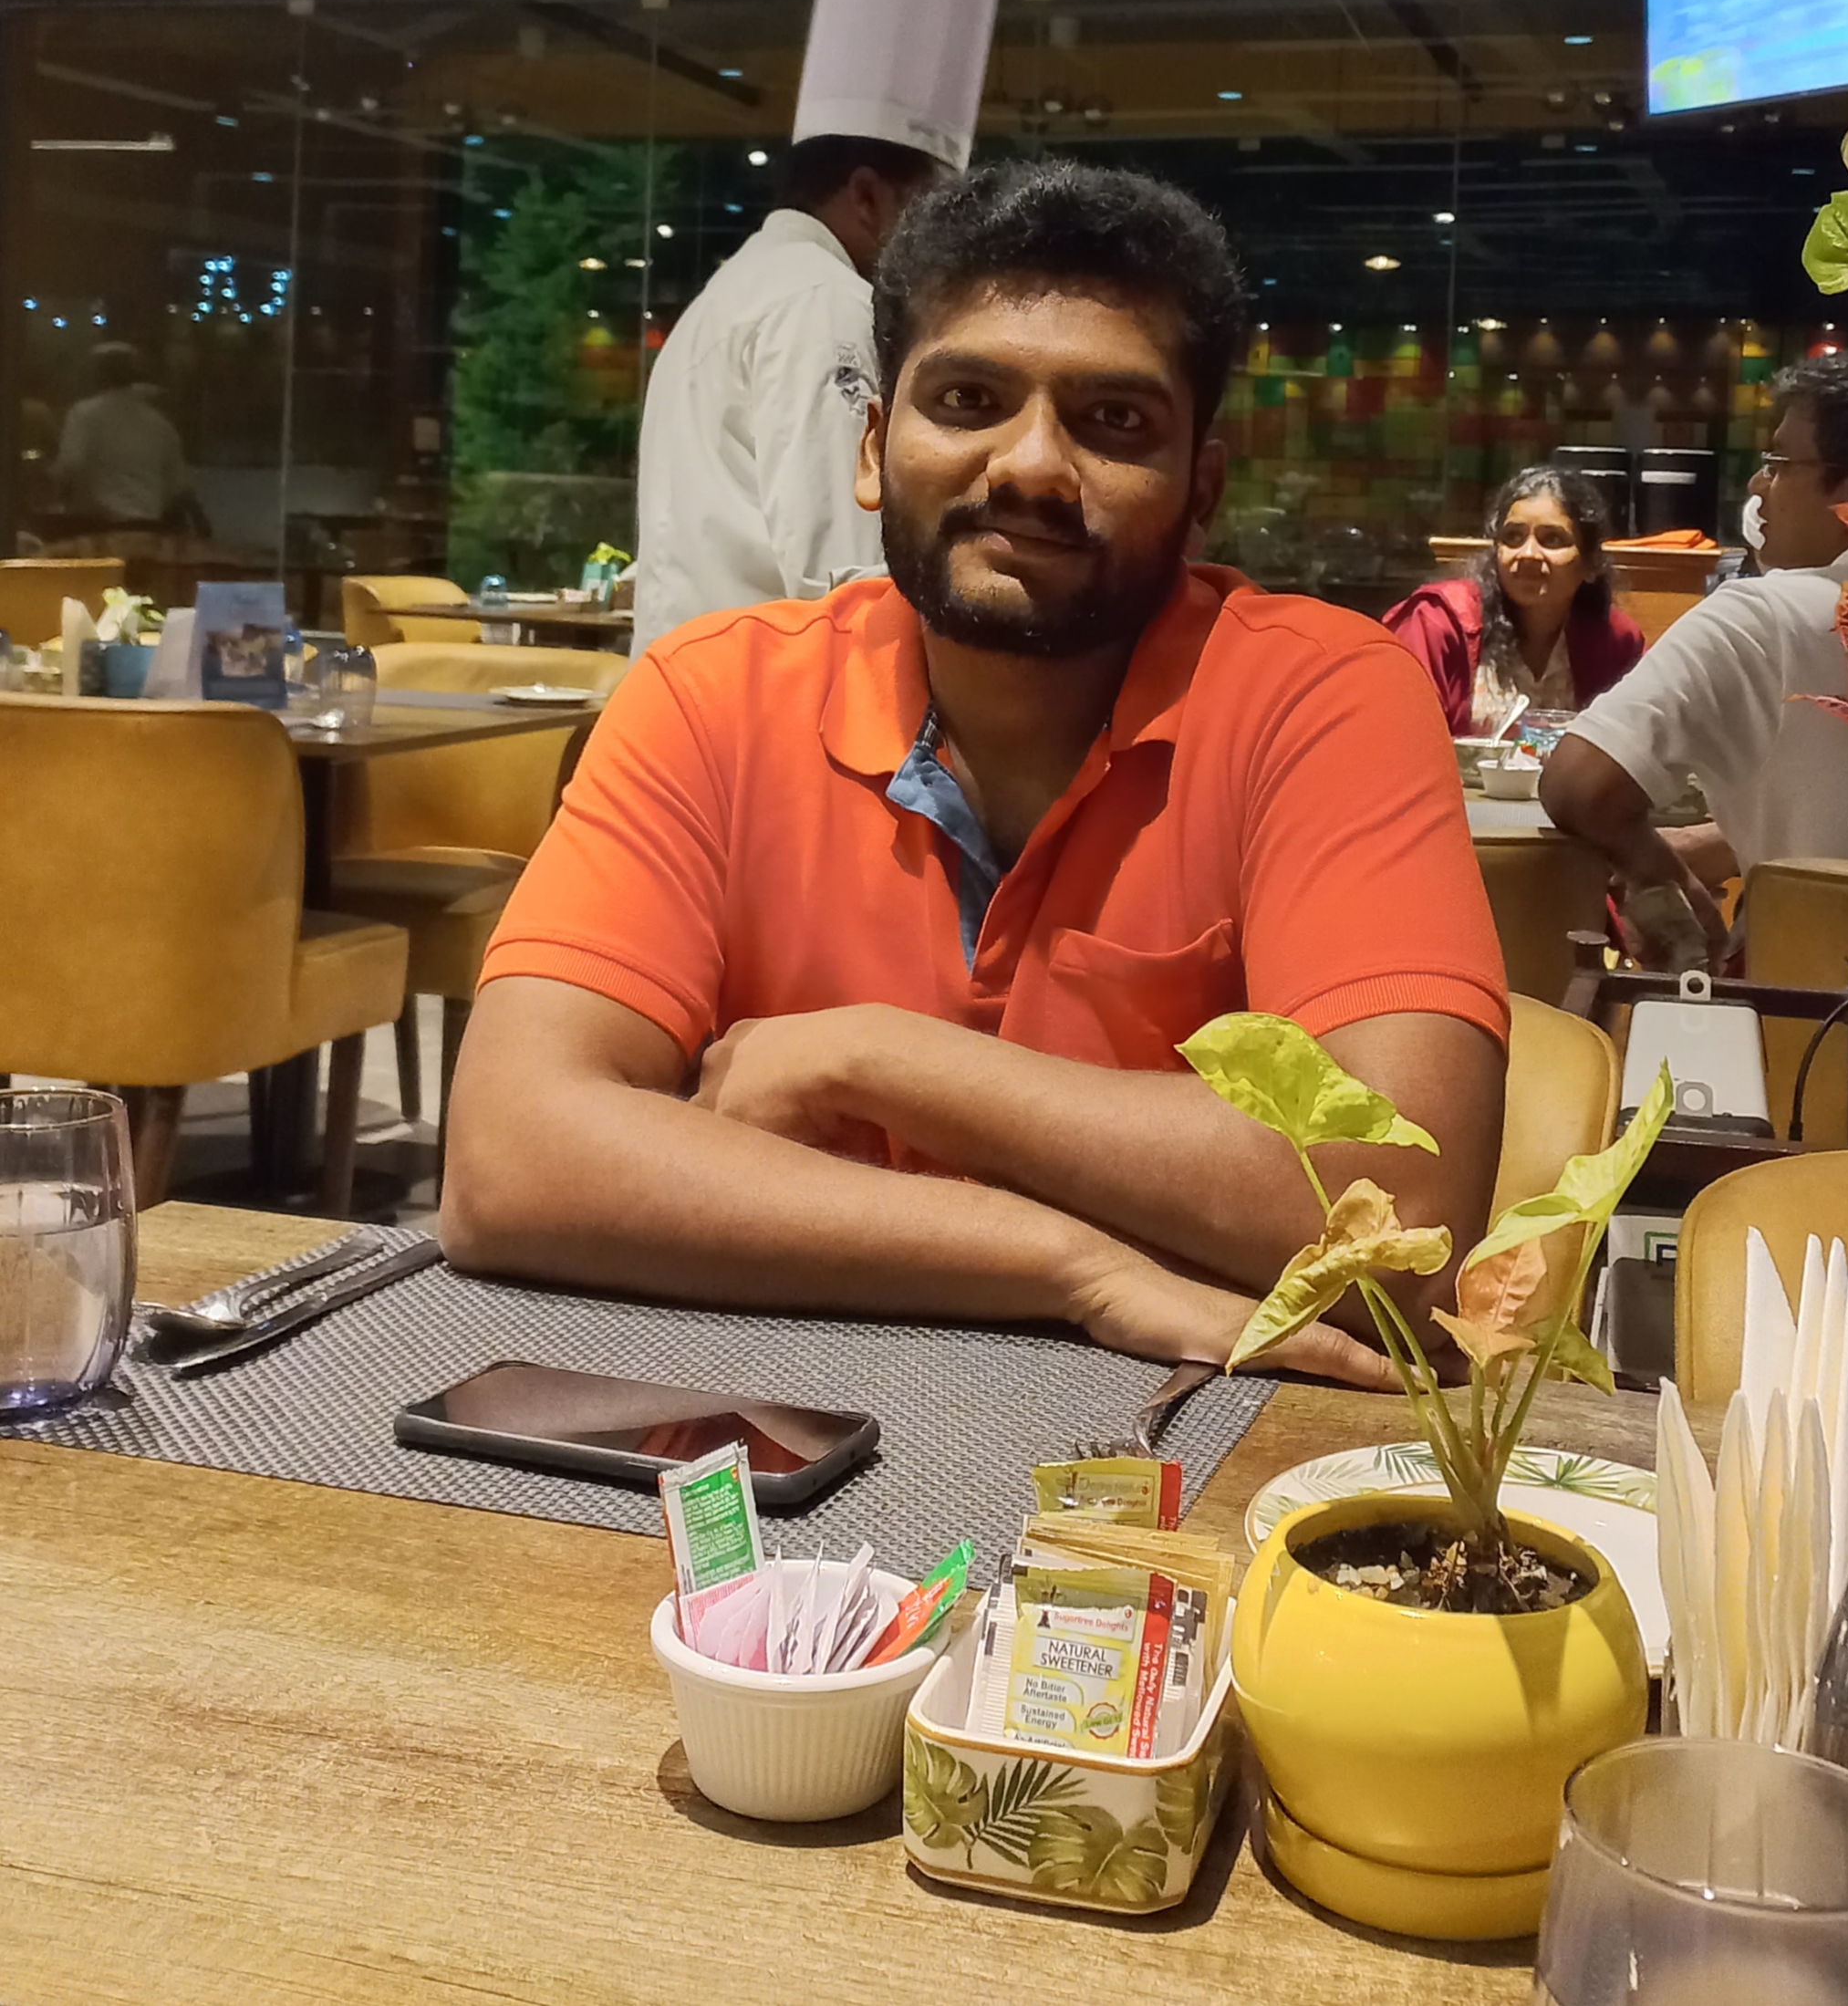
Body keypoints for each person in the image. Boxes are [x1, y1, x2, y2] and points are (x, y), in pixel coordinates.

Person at [443, 159, 1510, 1382]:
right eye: (968, 398)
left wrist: (873, 1057)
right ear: (872, 449)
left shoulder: (1319, 696)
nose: (1031, 465)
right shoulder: (711, 696)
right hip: (763, 1406)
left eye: (1115, 421)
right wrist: (1070, 1265)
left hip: (1183, 1433)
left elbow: (1402, 1220)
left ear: (1201, 490)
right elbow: (509, 1156)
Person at [1539, 349, 1848, 961]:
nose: (1756, 485)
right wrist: (1723, 841)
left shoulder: (1763, 617)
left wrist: (1657, 869)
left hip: (1813, 1010)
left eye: (1778, 463)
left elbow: (1578, 785)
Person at [632, 0, 999, 651]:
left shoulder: (737, 287)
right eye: (930, 207)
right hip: (762, 694)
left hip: (694, 678)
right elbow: (847, 571)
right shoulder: (823, 301)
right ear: (867, 195)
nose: (938, 238)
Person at [1381, 464, 1645, 737]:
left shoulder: (1616, 643)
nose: (1527, 554)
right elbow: (1398, 735)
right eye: (1513, 537)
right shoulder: (1436, 622)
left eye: (1552, 539)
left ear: (1591, 564)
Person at [50, 342, 196, 531]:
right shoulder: (159, 422)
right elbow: (177, 484)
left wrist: (55, 483)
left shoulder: (83, 414)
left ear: (98, 374)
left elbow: (71, 465)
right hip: (148, 525)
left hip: (96, 525)